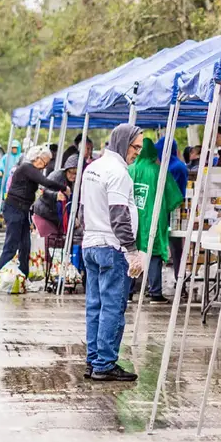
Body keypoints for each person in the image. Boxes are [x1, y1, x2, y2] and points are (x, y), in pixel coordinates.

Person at [81, 124, 144, 382]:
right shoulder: (119, 173)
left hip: (91, 243)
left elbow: (84, 207)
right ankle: (105, 364)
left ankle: (93, 358)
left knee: (94, 305)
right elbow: (119, 216)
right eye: (135, 147)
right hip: (112, 247)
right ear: (123, 142)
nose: (137, 153)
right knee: (113, 307)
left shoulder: (93, 167)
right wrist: (131, 250)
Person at [0, 146, 67, 278]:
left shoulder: (33, 170)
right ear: (36, 157)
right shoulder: (26, 167)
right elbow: (45, 182)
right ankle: (2, 275)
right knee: (12, 244)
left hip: (23, 210)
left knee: (25, 245)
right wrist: (64, 188)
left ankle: (23, 276)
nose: (44, 165)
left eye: (46, 162)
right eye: (44, 161)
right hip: (14, 209)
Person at [129, 137, 182, 304]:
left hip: (132, 220)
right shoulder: (160, 172)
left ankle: (128, 292)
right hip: (154, 218)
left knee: (132, 252)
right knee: (154, 253)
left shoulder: (129, 170)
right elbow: (175, 198)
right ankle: (155, 292)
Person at [156, 136, 190, 282]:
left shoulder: (174, 167)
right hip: (170, 212)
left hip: (171, 213)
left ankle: (179, 278)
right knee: (175, 249)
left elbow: (171, 192)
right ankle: (178, 279)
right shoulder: (175, 166)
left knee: (173, 249)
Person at [33, 155, 78, 238]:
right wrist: (56, 195)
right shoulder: (57, 175)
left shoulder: (77, 182)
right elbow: (43, 190)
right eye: (70, 172)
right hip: (45, 214)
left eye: (75, 173)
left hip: (58, 217)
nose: (72, 175)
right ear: (66, 170)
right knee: (48, 243)